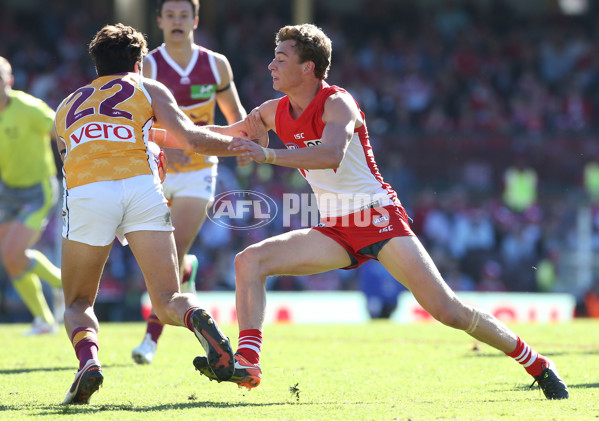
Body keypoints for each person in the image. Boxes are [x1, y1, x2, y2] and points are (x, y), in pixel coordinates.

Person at [192, 24, 569, 400]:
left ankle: (538, 363)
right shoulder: (273, 112)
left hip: (376, 217)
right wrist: (157, 135)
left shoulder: (338, 102)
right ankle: (248, 362)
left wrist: (269, 154)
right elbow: (225, 136)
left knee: (448, 311)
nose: (271, 65)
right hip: (336, 227)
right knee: (249, 261)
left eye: (281, 58)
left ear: (308, 67)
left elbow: (330, 154)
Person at [54, 23, 250, 405]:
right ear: (139, 62)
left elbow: (69, 160)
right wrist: (238, 143)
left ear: (95, 64)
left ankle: (88, 363)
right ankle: (198, 320)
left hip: (88, 192)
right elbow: (191, 140)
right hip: (142, 188)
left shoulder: (65, 106)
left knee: (78, 303)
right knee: (167, 297)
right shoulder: (149, 88)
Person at [132, 0, 246, 365]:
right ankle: (188, 273)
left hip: (199, 170)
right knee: (156, 260)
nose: (178, 21)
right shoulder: (148, 65)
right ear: (160, 21)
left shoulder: (215, 64)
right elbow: (137, 123)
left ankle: (150, 340)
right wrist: (169, 143)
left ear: (195, 20)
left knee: (172, 251)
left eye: (185, 15)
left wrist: (243, 142)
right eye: (171, 16)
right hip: (156, 171)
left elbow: (234, 113)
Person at [0, 56, 63, 335]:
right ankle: (44, 320)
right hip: (8, 190)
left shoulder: (28, 108)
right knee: (11, 258)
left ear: (9, 81)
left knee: (12, 253)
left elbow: (60, 132)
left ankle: (64, 286)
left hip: (39, 190)